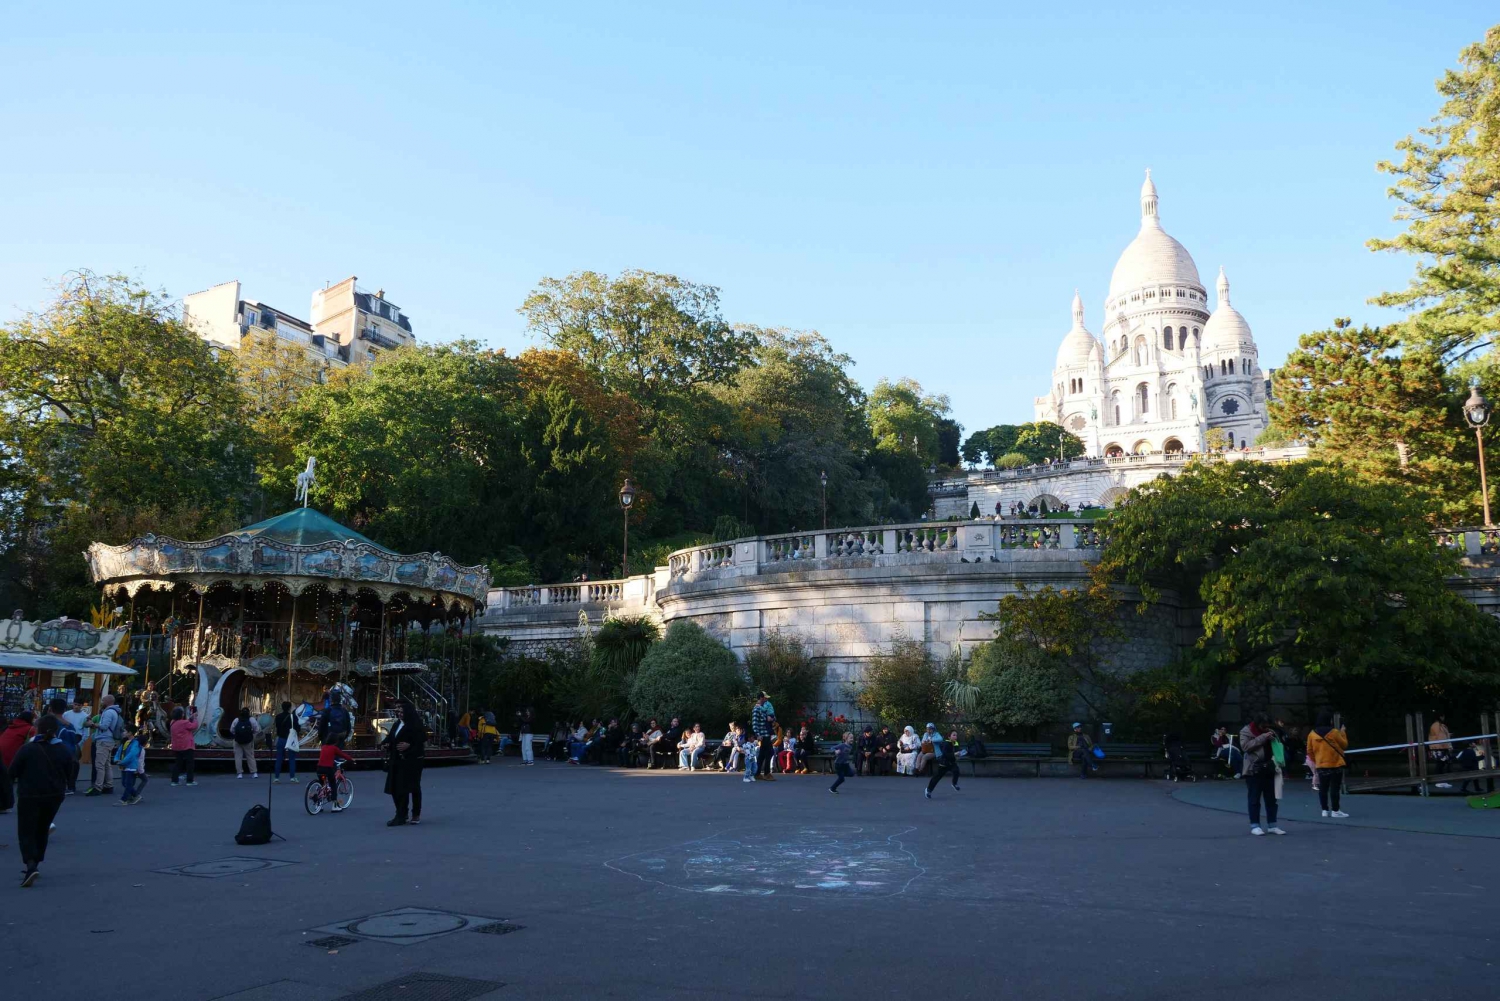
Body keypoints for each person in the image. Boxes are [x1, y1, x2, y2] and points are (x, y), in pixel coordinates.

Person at [10, 714, 72, 886]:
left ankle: (30, 865)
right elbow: (72, 769)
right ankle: (36, 862)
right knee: (42, 828)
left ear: (37, 728)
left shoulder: (28, 749)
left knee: (26, 830)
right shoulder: (63, 749)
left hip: (30, 794)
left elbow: (12, 771)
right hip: (54, 795)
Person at [1240, 712, 1286, 835]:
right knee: (1254, 798)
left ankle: (1272, 825)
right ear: (1257, 724)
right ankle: (1255, 825)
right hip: (1253, 769)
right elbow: (1245, 746)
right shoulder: (1246, 731)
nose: (1266, 728)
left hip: (1269, 768)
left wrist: (1274, 737)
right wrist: (1263, 737)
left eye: (1267, 726)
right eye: (1263, 726)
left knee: (1271, 799)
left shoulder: (1269, 731)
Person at [383, 699, 427, 826]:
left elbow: (421, 742)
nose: (399, 713)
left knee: (413, 787)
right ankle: (401, 813)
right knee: (396, 787)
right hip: (397, 760)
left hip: (412, 761)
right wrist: (385, 744)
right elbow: (391, 737)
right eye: (397, 710)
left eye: (401, 711)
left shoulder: (415, 724)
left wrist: (409, 745)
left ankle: (415, 813)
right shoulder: (398, 724)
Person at [1305, 711, 1349, 819]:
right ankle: (1335, 810)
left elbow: (1309, 751)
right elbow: (1344, 745)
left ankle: (1324, 810)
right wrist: (1343, 732)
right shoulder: (1334, 732)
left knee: (1323, 788)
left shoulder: (1312, 734)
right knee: (1335, 788)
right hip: (1335, 764)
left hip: (1321, 765)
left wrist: (1317, 760)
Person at [87, 694, 125, 796]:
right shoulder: (115, 712)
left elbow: (104, 726)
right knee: (107, 764)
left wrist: (92, 724)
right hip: (110, 740)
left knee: (99, 765)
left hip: (104, 740)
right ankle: (109, 785)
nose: (101, 702)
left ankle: (98, 787)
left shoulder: (108, 712)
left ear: (108, 702)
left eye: (103, 700)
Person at [923, 723, 961, 799]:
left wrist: (959, 755)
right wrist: (954, 754)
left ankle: (954, 783)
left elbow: (956, 751)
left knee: (956, 771)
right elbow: (945, 754)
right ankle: (928, 790)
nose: (955, 737)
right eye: (953, 735)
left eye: (956, 735)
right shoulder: (946, 743)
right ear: (949, 737)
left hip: (951, 762)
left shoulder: (956, 743)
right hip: (944, 762)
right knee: (937, 777)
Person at [114, 724, 148, 806]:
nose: (123, 732)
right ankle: (135, 795)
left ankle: (124, 800)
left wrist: (121, 761)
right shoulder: (125, 741)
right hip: (124, 766)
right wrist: (116, 759)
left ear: (130, 733)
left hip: (131, 766)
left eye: (125, 731)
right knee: (124, 783)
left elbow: (132, 755)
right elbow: (119, 751)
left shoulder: (135, 743)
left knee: (128, 783)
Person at [168, 706, 200, 787]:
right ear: (181, 715)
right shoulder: (184, 723)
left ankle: (174, 780)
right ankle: (190, 780)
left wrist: (190, 718)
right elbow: (194, 726)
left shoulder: (172, 722)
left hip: (177, 746)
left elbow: (185, 724)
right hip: (187, 745)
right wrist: (195, 718)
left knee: (178, 763)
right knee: (190, 764)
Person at [273, 701, 301, 783]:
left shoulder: (278, 717)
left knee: (279, 758)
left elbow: (277, 727)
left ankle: (276, 778)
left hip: (281, 739)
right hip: (290, 739)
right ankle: (292, 777)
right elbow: (298, 728)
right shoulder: (293, 717)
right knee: (292, 758)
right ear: (289, 708)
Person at [751, 694, 777, 780]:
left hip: (767, 734)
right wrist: (757, 734)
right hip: (763, 734)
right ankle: (766, 773)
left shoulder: (763, 708)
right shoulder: (756, 709)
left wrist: (772, 719)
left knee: (762, 754)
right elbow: (755, 723)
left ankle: (757, 773)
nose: (765, 700)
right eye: (764, 698)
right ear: (761, 698)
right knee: (769, 752)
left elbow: (770, 718)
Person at [230, 707, 260, 779]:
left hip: (237, 740)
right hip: (248, 741)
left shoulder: (236, 720)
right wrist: (251, 733)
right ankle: (254, 772)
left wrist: (237, 734)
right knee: (250, 756)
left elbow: (232, 730)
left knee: (238, 757)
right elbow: (257, 729)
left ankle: (239, 773)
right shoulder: (251, 719)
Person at [1428, 714, 1454, 789]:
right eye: (1442, 716)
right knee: (1440, 764)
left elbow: (1442, 735)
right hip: (1439, 747)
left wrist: (1448, 735)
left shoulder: (1440, 725)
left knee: (1442, 764)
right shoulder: (1437, 725)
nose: (1443, 718)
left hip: (1442, 747)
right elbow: (1439, 736)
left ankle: (1442, 781)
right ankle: (1439, 781)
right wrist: (1448, 746)